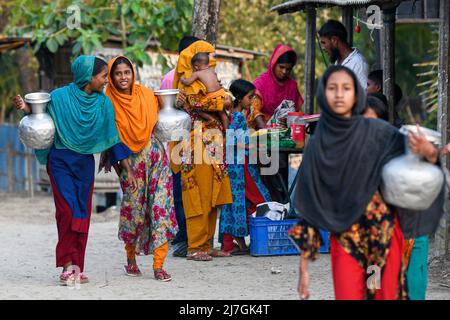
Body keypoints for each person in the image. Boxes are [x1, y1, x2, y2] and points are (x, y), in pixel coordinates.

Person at [289, 65, 440, 300]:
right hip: (347, 240)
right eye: (332, 88)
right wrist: (304, 269)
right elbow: (309, 208)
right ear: (323, 94)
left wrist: (429, 152)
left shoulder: (383, 133)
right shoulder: (320, 143)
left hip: (384, 237)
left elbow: (416, 167)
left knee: (379, 293)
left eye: (346, 88)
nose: (339, 94)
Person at [13, 56, 135, 285]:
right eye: (102, 77)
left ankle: (77, 266)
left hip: (84, 164)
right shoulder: (59, 97)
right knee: (67, 211)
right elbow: (39, 111)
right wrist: (24, 107)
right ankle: (67, 265)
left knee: (82, 213)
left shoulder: (103, 104)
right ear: (88, 78)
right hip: (60, 161)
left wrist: (127, 168)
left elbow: (112, 138)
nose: (106, 81)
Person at [102, 56, 179, 281]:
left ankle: (158, 265)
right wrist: (126, 169)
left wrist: (180, 99)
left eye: (127, 72)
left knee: (161, 207)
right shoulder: (108, 102)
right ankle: (131, 260)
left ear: (132, 73)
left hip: (156, 158)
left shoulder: (146, 95)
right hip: (130, 164)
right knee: (133, 211)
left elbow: (167, 107)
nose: (123, 77)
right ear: (111, 77)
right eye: (118, 74)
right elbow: (112, 139)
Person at [172, 40, 233, 261]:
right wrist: (220, 103)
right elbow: (198, 103)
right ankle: (194, 246)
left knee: (213, 193)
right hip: (195, 142)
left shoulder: (207, 75)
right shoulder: (186, 83)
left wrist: (222, 102)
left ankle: (207, 244)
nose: (208, 60)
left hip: (214, 138)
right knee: (198, 193)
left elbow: (226, 101)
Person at [219, 80, 272, 254]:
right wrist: (254, 146)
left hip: (233, 165)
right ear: (240, 98)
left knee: (232, 203)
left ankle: (230, 243)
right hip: (241, 166)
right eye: (250, 97)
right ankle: (259, 238)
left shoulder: (230, 115)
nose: (252, 101)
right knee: (261, 198)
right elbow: (234, 140)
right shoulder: (239, 116)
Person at [247, 44, 304, 204]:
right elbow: (254, 111)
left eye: (288, 69)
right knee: (274, 163)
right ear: (273, 64)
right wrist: (268, 131)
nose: (284, 72)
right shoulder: (261, 84)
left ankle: (291, 202)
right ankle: (280, 201)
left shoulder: (292, 85)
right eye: (281, 67)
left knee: (297, 161)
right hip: (264, 135)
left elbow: (294, 112)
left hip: (286, 136)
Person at [160, 35, 200, 258]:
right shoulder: (171, 79)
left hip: (199, 143)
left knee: (193, 192)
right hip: (179, 143)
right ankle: (184, 238)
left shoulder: (199, 78)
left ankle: (191, 238)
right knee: (181, 192)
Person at [181, 52, 230, 129]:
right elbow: (217, 80)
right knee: (223, 114)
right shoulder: (212, 70)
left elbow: (188, 82)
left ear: (196, 67)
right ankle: (228, 135)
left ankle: (210, 118)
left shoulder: (197, 73)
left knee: (196, 107)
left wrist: (183, 79)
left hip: (212, 98)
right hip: (222, 94)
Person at [318, 20, 369, 90]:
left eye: (324, 42)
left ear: (334, 40)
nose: (322, 48)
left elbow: (364, 96)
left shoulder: (358, 63)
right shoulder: (337, 62)